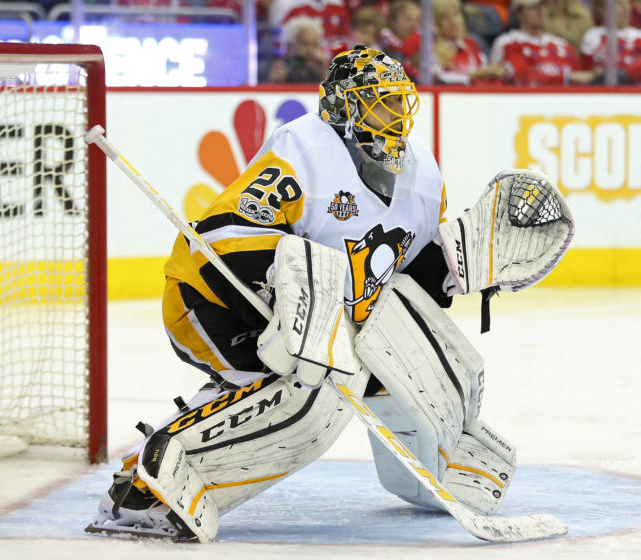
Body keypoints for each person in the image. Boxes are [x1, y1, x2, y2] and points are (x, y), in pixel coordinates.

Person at [85, 46, 572, 543]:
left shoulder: (424, 177)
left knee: (410, 360)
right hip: (213, 302)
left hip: (330, 326)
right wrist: (303, 311)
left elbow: (402, 285)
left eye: (400, 100)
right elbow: (221, 240)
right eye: (381, 101)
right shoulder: (303, 151)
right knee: (305, 393)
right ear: (344, 106)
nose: (397, 113)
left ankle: (438, 469)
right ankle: (143, 489)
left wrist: (452, 267)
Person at [490, 0, 597, 84]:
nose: (540, 11)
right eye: (533, 7)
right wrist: (568, 77)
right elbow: (520, 77)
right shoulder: (507, 42)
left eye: (542, 6)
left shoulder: (562, 44)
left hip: (569, 99)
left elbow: (583, 76)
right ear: (519, 13)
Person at [433, 0, 505, 84]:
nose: (453, 22)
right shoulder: (431, 48)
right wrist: (474, 75)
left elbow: (483, 69)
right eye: (445, 18)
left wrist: (493, 71)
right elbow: (438, 77)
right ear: (435, 23)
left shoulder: (471, 44)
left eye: (456, 14)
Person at [580, 0, 641, 83]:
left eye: (627, 3)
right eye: (619, 4)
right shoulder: (593, 36)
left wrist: (624, 73)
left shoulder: (638, 35)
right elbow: (588, 72)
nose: (626, 8)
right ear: (602, 10)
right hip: (604, 87)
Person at [263, 16, 331, 83]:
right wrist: (273, 82)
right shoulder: (278, 68)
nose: (310, 50)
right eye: (305, 44)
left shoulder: (320, 68)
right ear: (290, 46)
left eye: (314, 44)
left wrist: (323, 75)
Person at [380, 0, 422, 79]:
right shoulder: (385, 34)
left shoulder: (418, 38)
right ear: (392, 20)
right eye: (408, 19)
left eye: (417, 20)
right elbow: (402, 48)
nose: (413, 25)